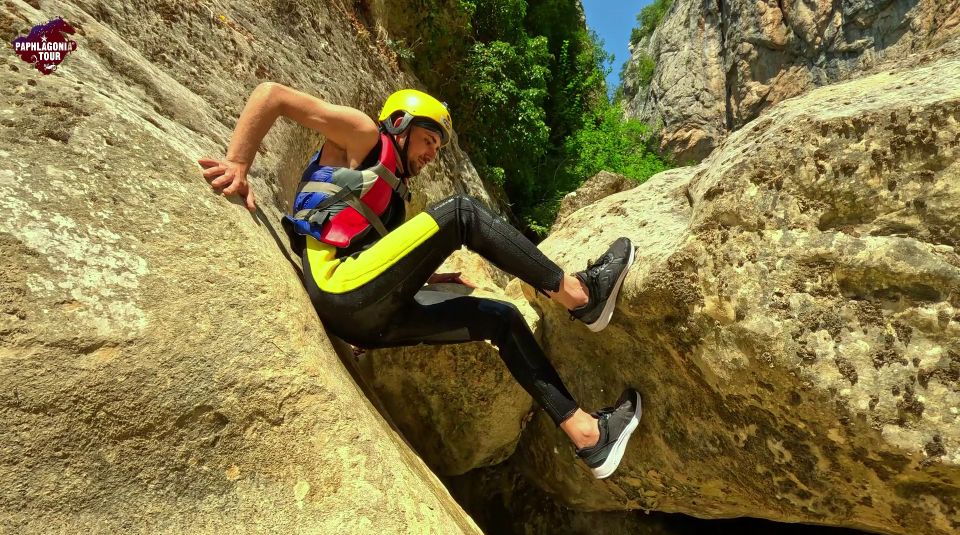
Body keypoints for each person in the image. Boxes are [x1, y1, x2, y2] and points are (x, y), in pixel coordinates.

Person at [197, 82, 641, 479]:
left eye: (437, 146)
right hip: (340, 290)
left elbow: (374, 254)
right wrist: (238, 163)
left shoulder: (391, 193)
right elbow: (271, 95)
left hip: (369, 322)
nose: (431, 153)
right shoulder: (364, 134)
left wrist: (429, 279)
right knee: (462, 212)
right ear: (400, 124)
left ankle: (587, 436)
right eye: (428, 139)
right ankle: (581, 295)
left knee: (500, 319)